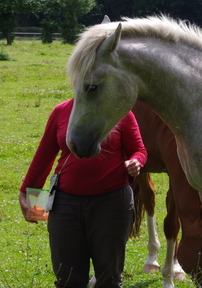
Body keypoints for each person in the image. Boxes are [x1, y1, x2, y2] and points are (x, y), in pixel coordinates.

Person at [19, 99, 147, 288]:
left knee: (109, 279)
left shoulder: (120, 112)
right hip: (64, 203)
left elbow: (139, 149)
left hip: (111, 203)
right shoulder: (61, 111)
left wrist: (136, 161)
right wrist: (26, 192)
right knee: (68, 278)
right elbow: (44, 154)